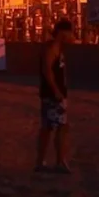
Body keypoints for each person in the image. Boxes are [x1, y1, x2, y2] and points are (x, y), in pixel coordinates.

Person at [36, 18, 75, 173]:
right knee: (58, 127)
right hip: (52, 94)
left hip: (54, 93)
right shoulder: (52, 48)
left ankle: (43, 161)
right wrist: (56, 91)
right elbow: (47, 71)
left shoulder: (57, 47)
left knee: (50, 128)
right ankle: (58, 161)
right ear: (62, 32)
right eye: (68, 31)